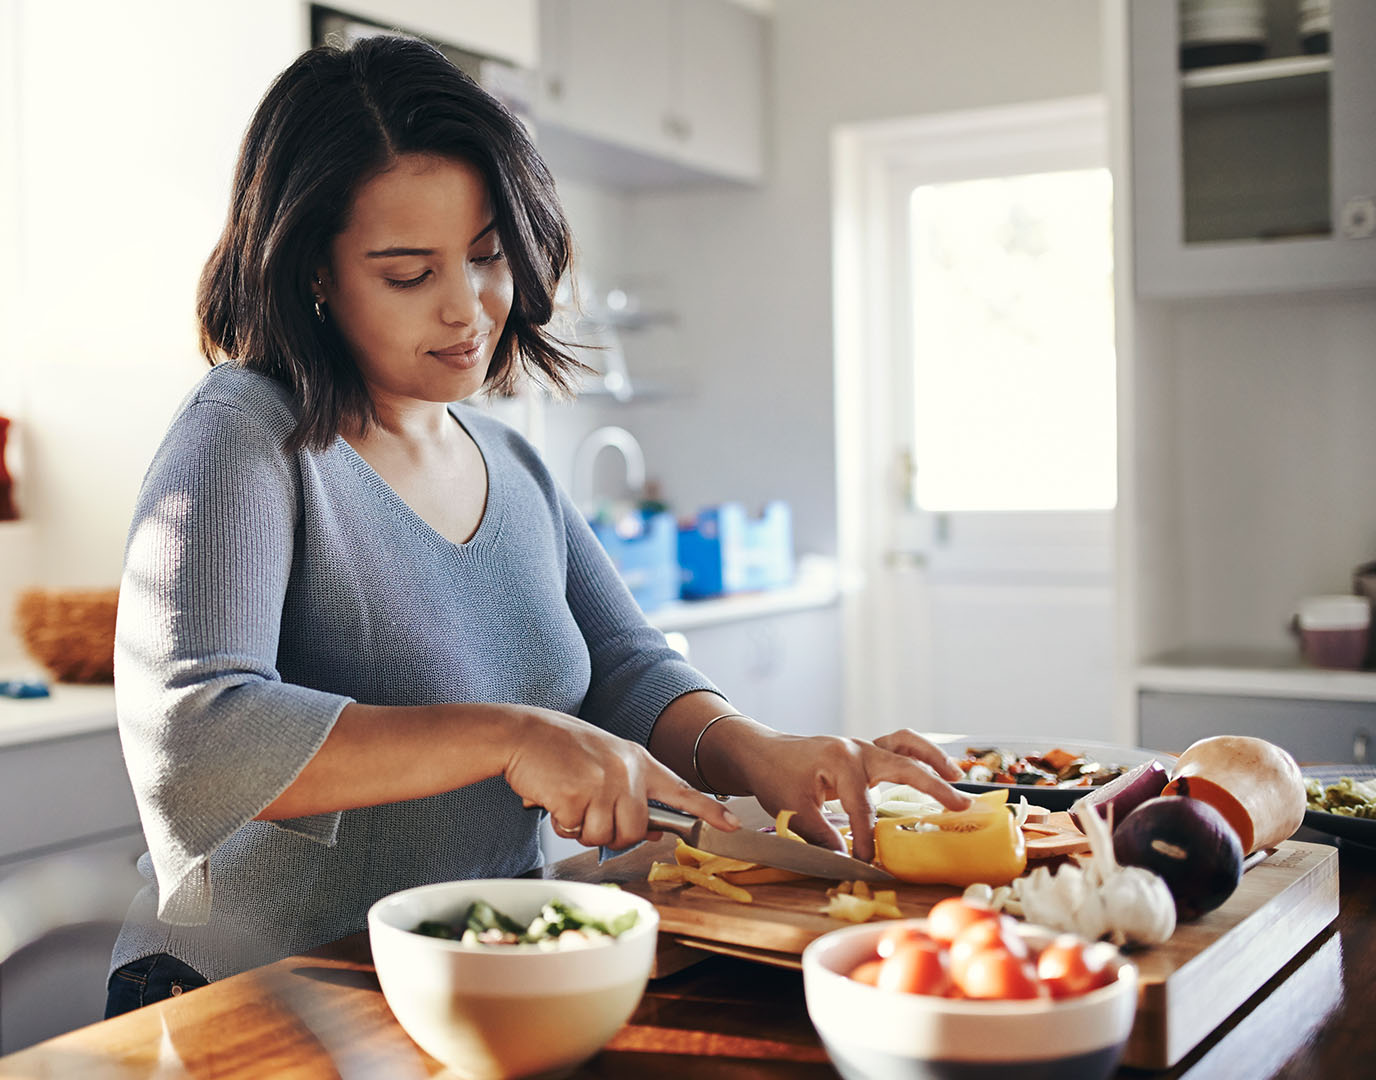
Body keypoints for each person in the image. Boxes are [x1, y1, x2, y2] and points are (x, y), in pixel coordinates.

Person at [105, 34, 968, 1018]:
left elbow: (627, 670)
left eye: (486, 257)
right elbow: (191, 734)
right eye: (406, 273)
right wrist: (510, 737)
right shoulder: (243, 435)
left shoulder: (507, 461)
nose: (469, 308)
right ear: (313, 271)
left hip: (460, 986)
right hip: (254, 995)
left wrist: (757, 754)